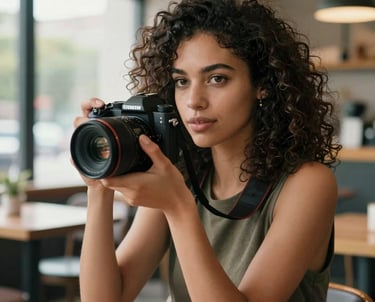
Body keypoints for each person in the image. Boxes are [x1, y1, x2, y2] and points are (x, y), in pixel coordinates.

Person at [73, 0, 341, 301]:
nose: (193, 101)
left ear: (262, 85)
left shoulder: (307, 184)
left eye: (217, 79)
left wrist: (179, 208)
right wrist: (99, 185)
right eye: (181, 81)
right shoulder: (181, 173)